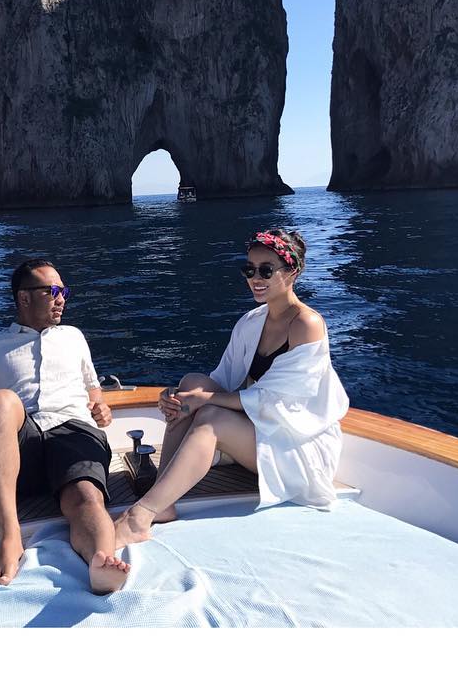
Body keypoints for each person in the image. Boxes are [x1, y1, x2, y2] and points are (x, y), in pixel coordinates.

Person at [113, 228, 349, 548]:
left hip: (294, 444)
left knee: (212, 417)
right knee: (191, 382)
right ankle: (163, 497)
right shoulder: (251, 321)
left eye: (266, 270)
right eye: (249, 270)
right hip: (261, 428)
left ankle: (140, 516)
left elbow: (277, 401)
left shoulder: (306, 325)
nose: (255, 278)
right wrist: (179, 397)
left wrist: (203, 401)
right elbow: (222, 381)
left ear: (292, 271)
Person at [0, 258, 129, 593]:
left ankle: (102, 564)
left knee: (86, 496)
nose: (61, 299)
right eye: (53, 291)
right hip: (23, 443)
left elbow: (93, 390)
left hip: (73, 430)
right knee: (0, 400)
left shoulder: (73, 337)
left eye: (64, 292)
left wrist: (100, 407)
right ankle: (10, 537)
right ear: (24, 297)